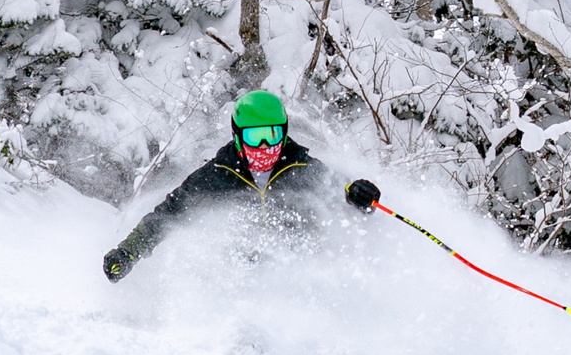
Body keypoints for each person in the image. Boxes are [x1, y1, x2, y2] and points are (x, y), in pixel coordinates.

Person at [103, 90, 380, 282]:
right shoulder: (217, 175)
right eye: (255, 136)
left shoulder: (302, 168)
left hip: (301, 269)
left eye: (271, 135)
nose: (264, 146)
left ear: (283, 133)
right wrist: (129, 252)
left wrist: (361, 196)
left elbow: (342, 194)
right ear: (237, 136)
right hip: (243, 273)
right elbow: (169, 213)